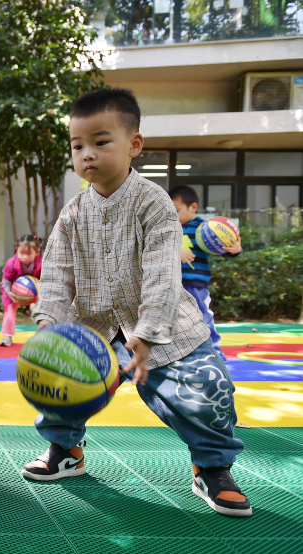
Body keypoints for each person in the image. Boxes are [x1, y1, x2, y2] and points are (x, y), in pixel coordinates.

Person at [26, 87, 250, 517]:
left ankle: (211, 466)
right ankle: (66, 448)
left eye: (100, 141)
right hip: (93, 327)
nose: (87, 153)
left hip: (164, 327)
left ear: (135, 144)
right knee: (57, 375)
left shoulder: (154, 204)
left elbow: (163, 275)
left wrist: (147, 335)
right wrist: (49, 321)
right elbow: (55, 273)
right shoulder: (72, 213)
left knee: (211, 386)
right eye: (77, 146)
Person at [168, 185, 241, 360]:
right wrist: (176, 252)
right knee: (170, 319)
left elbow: (223, 249)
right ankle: (175, 354)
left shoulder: (205, 228)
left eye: (176, 210)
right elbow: (158, 250)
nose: (173, 215)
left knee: (202, 317)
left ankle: (214, 350)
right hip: (171, 284)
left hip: (195, 284)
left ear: (193, 207)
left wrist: (234, 250)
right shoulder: (169, 228)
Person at [0, 234, 43, 347]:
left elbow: (48, 279)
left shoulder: (43, 262)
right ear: (16, 250)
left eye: (29, 254)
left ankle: (44, 335)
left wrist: (40, 294)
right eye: (21, 253)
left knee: (45, 309)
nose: (24, 257)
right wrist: (9, 292)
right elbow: (6, 280)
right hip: (13, 291)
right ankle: (7, 336)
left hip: (39, 291)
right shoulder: (11, 262)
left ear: (37, 252)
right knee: (10, 309)